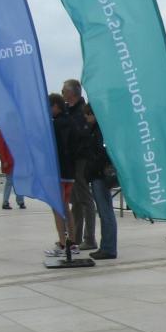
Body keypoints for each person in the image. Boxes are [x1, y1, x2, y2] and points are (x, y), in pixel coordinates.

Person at [62, 79, 98, 251]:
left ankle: (89, 238)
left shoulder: (81, 111)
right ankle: (75, 237)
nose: (62, 94)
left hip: (82, 159)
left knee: (85, 198)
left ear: (72, 93)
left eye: (64, 91)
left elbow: (82, 136)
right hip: (72, 160)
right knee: (75, 199)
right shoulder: (68, 111)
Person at [82, 104, 117, 260]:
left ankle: (108, 248)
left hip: (100, 175)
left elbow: (101, 154)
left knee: (105, 212)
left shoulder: (100, 132)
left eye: (88, 115)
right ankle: (106, 246)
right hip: (97, 174)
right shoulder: (97, 130)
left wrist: (93, 168)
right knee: (105, 212)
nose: (86, 118)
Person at [45, 93, 77, 256]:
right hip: (70, 172)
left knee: (57, 208)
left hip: (58, 172)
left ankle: (63, 243)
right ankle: (72, 242)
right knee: (66, 207)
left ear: (56, 106)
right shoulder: (71, 121)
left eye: (49, 107)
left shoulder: (55, 125)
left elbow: (51, 148)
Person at [0, 130, 25, 210]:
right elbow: (0, 148)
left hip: (18, 161)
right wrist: (4, 160)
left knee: (19, 181)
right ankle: (5, 202)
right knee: (9, 182)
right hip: (9, 162)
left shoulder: (15, 130)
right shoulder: (1, 131)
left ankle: (20, 201)